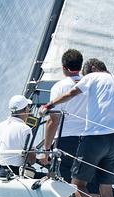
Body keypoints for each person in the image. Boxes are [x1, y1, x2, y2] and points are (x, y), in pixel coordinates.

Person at [39, 58, 114, 197]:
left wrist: (49, 105)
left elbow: (72, 93)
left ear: (91, 70)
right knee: (105, 188)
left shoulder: (93, 77)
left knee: (77, 183)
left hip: (94, 137)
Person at [42, 49, 87, 184]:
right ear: (80, 66)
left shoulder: (59, 87)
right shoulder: (89, 85)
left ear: (63, 68)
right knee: (86, 184)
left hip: (66, 140)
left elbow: (53, 121)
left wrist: (46, 150)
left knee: (63, 183)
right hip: (89, 139)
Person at [0, 95, 35, 178]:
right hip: (14, 173)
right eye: (28, 107)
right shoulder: (25, 128)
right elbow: (32, 160)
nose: (29, 110)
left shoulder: (0, 126)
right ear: (25, 110)